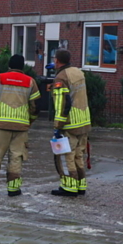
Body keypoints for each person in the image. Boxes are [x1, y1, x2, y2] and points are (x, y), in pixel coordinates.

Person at [0, 54, 40, 197]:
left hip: (0, 125)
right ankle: (13, 190)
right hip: (21, 127)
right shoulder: (30, 81)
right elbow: (35, 106)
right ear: (23, 67)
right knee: (16, 157)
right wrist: (29, 121)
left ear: (9, 66)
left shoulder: (0, 78)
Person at [51, 49, 91, 196]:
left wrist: (58, 126)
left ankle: (69, 187)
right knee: (79, 155)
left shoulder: (61, 78)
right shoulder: (78, 72)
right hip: (84, 121)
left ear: (57, 60)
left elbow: (62, 103)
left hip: (70, 124)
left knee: (67, 155)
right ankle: (81, 185)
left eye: (54, 59)